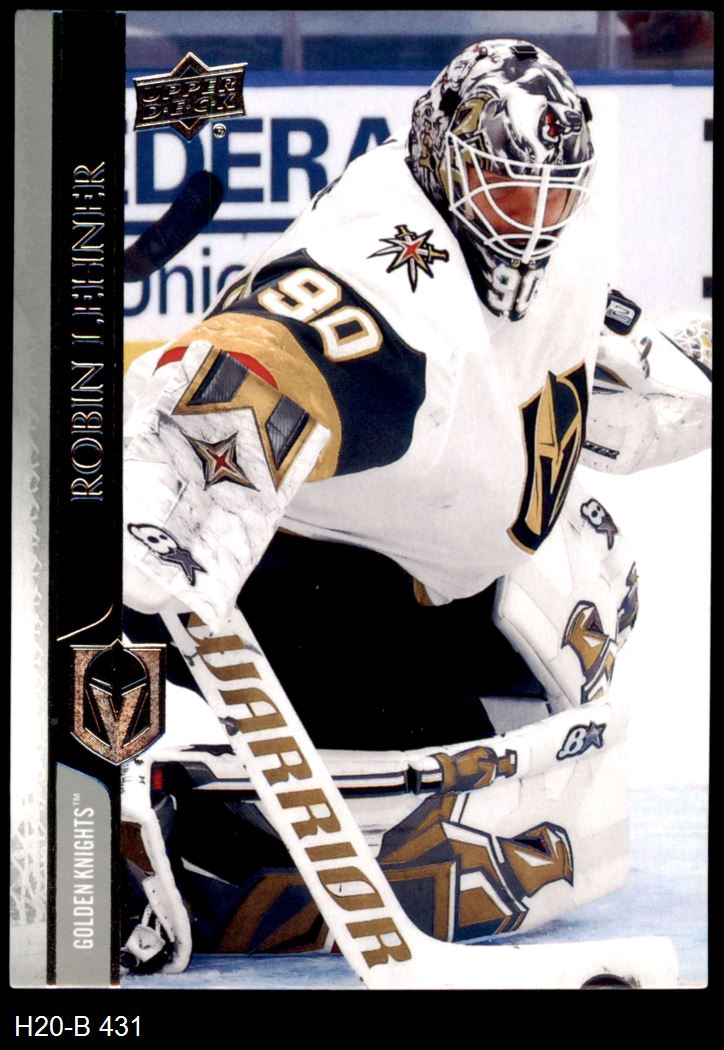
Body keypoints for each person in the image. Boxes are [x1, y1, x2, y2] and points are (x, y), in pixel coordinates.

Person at [120, 39, 711, 973]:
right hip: (307, 582)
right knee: (450, 795)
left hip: (419, 567)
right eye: (508, 192)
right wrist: (170, 492)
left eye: (551, 194)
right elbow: (263, 356)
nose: (531, 222)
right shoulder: (383, 268)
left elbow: (586, 369)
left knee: (577, 573)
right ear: (445, 160)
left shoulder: (561, 227)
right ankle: (163, 815)